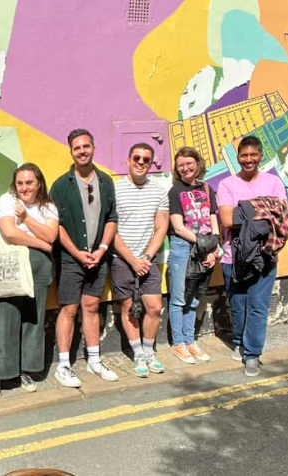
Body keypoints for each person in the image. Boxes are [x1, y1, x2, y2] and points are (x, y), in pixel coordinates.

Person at [50, 128, 119, 388]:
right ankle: (64, 365)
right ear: (71, 151)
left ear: (93, 148)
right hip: (70, 258)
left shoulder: (105, 181)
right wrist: (78, 253)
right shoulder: (60, 185)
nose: (82, 151)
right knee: (68, 308)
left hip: (98, 257)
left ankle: (94, 359)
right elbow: (56, 225)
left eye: (86, 146)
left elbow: (112, 219)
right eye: (77, 147)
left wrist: (101, 250)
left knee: (91, 307)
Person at [0, 163, 57, 403]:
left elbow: (52, 236)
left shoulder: (48, 206)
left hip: (39, 266)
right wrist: (41, 243)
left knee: (33, 320)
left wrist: (25, 218)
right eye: (20, 183)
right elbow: (9, 232)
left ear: (39, 184)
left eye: (29, 183)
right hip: (13, 263)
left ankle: (25, 370)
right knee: (5, 317)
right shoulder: (7, 200)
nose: (24, 188)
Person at [217, 136, 288, 377]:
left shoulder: (274, 182)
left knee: (257, 306)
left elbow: (282, 218)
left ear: (260, 156)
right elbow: (227, 220)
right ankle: (239, 340)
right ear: (238, 157)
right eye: (244, 155)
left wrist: (245, 209)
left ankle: (253, 354)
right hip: (233, 257)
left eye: (253, 155)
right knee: (238, 305)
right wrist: (265, 210)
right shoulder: (227, 184)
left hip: (266, 255)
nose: (248, 160)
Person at [111, 143, 169, 377]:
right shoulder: (115, 190)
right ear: (128, 160)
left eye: (146, 159)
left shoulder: (159, 191)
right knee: (128, 308)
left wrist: (145, 257)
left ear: (151, 163)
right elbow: (111, 230)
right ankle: (138, 354)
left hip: (148, 260)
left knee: (154, 307)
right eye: (137, 158)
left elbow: (161, 227)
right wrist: (131, 259)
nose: (141, 162)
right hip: (121, 259)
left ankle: (149, 351)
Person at [167, 146, 220, 364]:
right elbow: (178, 227)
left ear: (198, 164)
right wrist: (203, 243)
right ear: (177, 169)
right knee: (179, 297)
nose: (186, 168)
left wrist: (214, 248)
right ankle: (178, 343)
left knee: (195, 297)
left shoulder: (207, 189)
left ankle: (190, 340)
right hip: (183, 247)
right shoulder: (175, 191)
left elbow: (213, 218)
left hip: (205, 247)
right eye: (181, 165)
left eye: (190, 163)